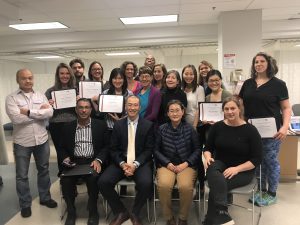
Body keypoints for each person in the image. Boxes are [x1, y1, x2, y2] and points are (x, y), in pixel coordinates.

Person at [239, 52, 291, 206]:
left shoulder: (278, 84)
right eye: (256, 62)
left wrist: (285, 127)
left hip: (272, 132)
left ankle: (272, 192)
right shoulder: (248, 84)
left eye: (262, 61)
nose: (258, 64)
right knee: (256, 161)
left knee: (270, 161)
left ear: (269, 64)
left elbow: (286, 108)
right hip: (252, 130)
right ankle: (261, 190)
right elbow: (241, 104)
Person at [5, 69, 57, 218]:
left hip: (41, 140)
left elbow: (50, 113)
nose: (27, 81)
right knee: (21, 175)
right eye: (24, 79)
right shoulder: (11, 98)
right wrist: (38, 112)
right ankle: (25, 204)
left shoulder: (40, 95)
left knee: (44, 170)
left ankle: (45, 198)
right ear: (18, 80)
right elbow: (16, 119)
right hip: (22, 142)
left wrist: (28, 112)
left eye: (30, 78)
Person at [203, 97, 262, 225]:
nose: (230, 112)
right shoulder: (217, 127)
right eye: (226, 109)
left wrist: (237, 169)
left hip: (243, 170)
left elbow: (257, 159)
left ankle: (210, 219)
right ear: (223, 110)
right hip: (221, 164)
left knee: (218, 184)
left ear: (239, 109)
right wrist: (208, 157)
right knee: (212, 167)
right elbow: (207, 148)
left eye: (233, 108)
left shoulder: (251, 130)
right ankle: (222, 211)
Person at [98, 95, 154, 225]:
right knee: (103, 182)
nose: (132, 108)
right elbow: (113, 149)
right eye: (130, 105)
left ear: (140, 107)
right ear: (125, 107)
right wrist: (123, 164)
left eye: (135, 105)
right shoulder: (118, 125)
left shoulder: (148, 125)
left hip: (140, 163)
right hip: (121, 162)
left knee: (146, 183)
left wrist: (134, 164)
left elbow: (148, 150)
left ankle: (135, 212)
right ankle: (121, 211)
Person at [59, 98, 109, 225]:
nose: (84, 110)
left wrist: (98, 160)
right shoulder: (67, 127)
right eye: (80, 107)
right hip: (74, 162)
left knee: (93, 179)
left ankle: (93, 212)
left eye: (87, 107)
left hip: (92, 161)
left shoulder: (100, 125)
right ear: (76, 110)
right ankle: (71, 212)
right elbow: (62, 147)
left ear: (91, 110)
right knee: (65, 181)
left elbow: (107, 147)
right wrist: (65, 158)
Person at [154, 100, 201, 225]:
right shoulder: (161, 129)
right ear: (167, 114)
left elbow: (197, 149)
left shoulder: (190, 129)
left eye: (177, 110)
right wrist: (167, 163)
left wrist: (186, 163)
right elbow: (156, 150)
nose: (175, 113)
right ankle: (168, 217)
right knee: (164, 185)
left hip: (186, 165)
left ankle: (183, 218)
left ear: (183, 112)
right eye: (171, 111)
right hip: (166, 164)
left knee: (185, 187)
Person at [45, 63, 77, 172]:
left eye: (67, 73)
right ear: (58, 75)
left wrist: (79, 100)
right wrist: (49, 105)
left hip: (73, 123)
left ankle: (76, 175)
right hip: (56, 125)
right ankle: (63, 174)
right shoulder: (50, 91)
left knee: (73, 150)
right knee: (60, 151)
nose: (65, 76)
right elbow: (46, 112)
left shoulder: (76, 90)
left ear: (71, 75)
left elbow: (82, 109)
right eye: (62, 73)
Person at [181, 64, 206, 197]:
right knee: (184, 156)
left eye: (191, 74)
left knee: (196, 157)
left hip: (196, 128)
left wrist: (194, 127)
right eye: (186, 73)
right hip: (181, 128)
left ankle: (201, 185)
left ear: (195, 75)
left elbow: (199, 109)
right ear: (183, 75)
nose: (189, 76)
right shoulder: (181, 88)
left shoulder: (199, 89)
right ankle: (187, 185)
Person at [92, 68, 133, 135]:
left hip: (124, 128)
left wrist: (120, 120)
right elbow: (99, 111)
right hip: (108, 129)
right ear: (111, 79)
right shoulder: (105, 93)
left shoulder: (129, 94)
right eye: (115, 78)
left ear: (124, 80)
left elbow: (132, 112)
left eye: (120, 78)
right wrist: (93, 101)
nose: (117, 81)